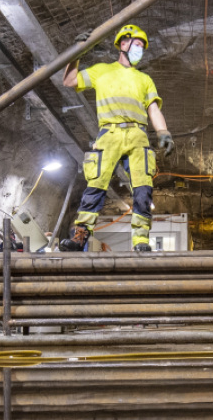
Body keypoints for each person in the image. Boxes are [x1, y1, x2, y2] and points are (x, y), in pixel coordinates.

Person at [58, 25, 174, 253]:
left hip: (138, 135)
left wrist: (163, 132)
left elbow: (153, 109)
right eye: (137, 44)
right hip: (109, 133)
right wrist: (77, 53)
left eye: (142, 46)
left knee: (143, 189)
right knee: (96, 185)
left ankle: (141, 240)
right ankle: (80, 235)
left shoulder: (144, 79)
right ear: (123, 43)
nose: (140, 50)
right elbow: (69, 80)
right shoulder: (102, 70)